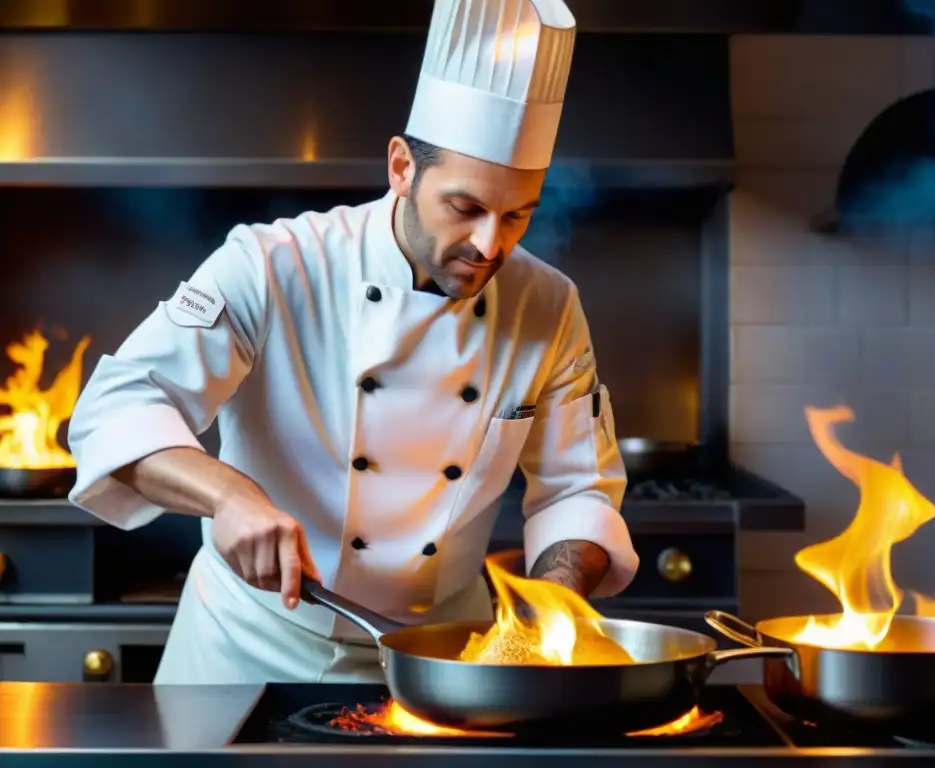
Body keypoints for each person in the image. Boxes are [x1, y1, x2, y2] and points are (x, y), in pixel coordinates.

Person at [67, 0, 638, 685]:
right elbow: (117, 405)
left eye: (518, 215)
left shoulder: (548, 305)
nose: (492, 244)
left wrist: (555, 610)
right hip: (246, 647)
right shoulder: (274, 265)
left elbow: (577, 490)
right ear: (401, 167)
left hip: (443, 656)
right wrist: (229, 496)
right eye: (466, 208)